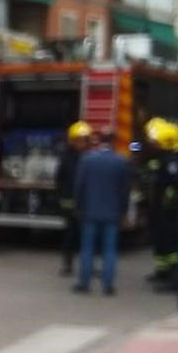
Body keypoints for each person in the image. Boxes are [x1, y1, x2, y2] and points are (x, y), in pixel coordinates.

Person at [72, 127, 131, 295]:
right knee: (110, 251)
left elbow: (79, 186)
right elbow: (124, 190)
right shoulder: (121, 161)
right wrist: (124, 211)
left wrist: (78, 206)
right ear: (114, 141)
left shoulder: (87, 160)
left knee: (87, 249)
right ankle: (108, 285)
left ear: (100, 139)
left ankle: (84, 283)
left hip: (90, 211)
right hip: (112, 213)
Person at [145, 122, 178, 290]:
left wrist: (168, 200)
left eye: (155, 141)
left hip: (169, 211)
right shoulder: (161, 158)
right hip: (159, 209)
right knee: (161, 242)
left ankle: (174, 279)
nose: (153, 144)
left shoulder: (173, 160)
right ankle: (162, 272)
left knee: (171, 246)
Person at [56, 121, 93, 277]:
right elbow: (59, 179)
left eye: (85, 140)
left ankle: (88, 266)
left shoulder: (90, 158)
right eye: (79, 140)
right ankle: (67, 264)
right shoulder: (66, 158)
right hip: (69, 204)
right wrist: (62, 199)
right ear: (72, 140)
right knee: (69, 236)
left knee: (88, 236)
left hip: (87, 204)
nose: (82, 143)